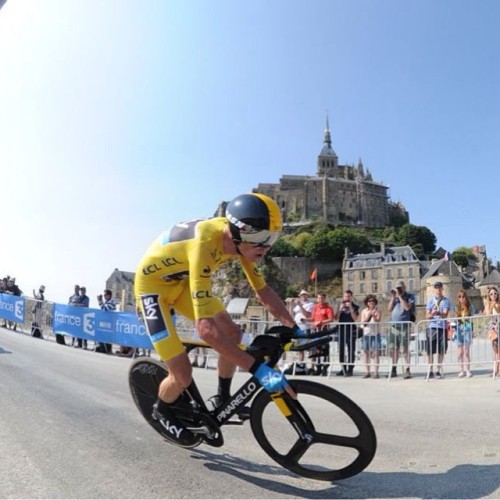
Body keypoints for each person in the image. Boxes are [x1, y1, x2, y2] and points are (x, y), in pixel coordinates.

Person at [134, 193, 299, 446]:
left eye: (272, 238)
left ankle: (222, 399)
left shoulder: (243, 242)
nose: (266, 247)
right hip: (153, 289)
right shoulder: (205, 243)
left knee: (232, 333)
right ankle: (162, 410)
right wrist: (259, 370)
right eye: (260, 240)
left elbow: (263, 291)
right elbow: (207, 331)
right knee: (182, 374)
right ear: (238, 232)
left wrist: (295, 328)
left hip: (181, 283)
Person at [387, 280, 415, 379]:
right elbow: (389, 309)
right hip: (394, 326)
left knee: (405, 349)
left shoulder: (410, 296)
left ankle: (407, 369)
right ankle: (394, 369)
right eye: (397, 287)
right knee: (394, 348)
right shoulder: (394, 298)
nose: (398, 289)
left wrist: (400, 297)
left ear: (404, 287)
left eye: (400, 287)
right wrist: (393, 297)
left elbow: (407, 308)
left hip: (404, 326)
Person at [425, 281, 451, 379]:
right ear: (434, 289)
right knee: (430, 350)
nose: (438, 289)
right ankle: (430, 370)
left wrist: (439, 313)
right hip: (432, 327)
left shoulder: (446, 300)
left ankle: (438, 370)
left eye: (440, 287)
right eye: (436, 287)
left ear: (442, 289)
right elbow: (427, 316)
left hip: (442, 327)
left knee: (441, 350)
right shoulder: (430, 301)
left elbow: (446, 314)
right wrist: (432, 314)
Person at [310, 293, 335, 376]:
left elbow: (331, 319)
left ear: (325, 299)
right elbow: (313, 318)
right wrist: (304, 320)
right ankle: (318, 367)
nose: (321, 300)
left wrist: (321, 322)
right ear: (317, 299)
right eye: (319, 298)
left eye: (322, 298)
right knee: (317, 349)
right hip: (316, 330)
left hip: (324, 330)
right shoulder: (315, 307)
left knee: (325, 349)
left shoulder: (328, 308)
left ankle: (325, 367)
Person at [336, 290, 360, 377]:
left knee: (351, 350)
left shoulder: (355, 307)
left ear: (351, 297)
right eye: (346, 296)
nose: (347, 298)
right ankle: (343, 368)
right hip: (342, 330)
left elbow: (355, 319)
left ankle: (350, 369)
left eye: (349, 296)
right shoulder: (340, 305)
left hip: (351, 330)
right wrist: (339, 309)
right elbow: (336, 318)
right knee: (341, 350)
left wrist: (350, 308)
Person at [290, 290, 314, 373]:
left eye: (305, 295)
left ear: (307, 296)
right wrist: (291, 305)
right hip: (298, 328)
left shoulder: (310, 304)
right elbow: (292, 314)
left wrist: (300, 305)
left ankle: (312, 366)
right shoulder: (297, 305)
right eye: (302, 295)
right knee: (300, 349)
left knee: (310, 347)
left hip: (305, 328)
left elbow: (307, 314)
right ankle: (301, 364)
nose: (303, 297)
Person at [452, 289, 475, 378]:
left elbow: (472, 318)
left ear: (466, 297)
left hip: (467, 329)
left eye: (463, 296)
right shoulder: (456, 307)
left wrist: (466, 311)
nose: (461, 298)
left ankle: (468, 369)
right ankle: (461, 370)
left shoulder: (470, 307)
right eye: (460, 297)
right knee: (460, 352)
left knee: (466, 351)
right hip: (458, 330)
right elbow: (455, 318)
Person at [360, 294, 382, 379]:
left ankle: (376, 372)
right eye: (369, 301)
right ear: (367, 303)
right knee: (366, 353)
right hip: (366, 334)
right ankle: (367, 371)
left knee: (376, 353)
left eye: (373, 301)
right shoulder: (364, 311)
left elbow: (378, 320)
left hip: (375, 333)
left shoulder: (378, 310)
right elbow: (362, 323)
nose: (371, 302)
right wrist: (369, 315)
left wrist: (373, 315)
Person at [482, 286, 500, 377]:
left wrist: (495, 306)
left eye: (495, 293)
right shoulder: (488, 305)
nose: (493, 295)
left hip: (499, 328)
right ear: (489, 295)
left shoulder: (499, 304)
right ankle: (495, 370)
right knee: (495, 351)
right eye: (491, 294)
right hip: (493, 330)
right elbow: (488, 315)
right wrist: (491, 305)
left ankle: (498, 370)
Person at [96, 289, 117, 354]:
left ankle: (108, 350)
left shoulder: (111, 302)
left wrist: (100, 301)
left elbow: (105, 309)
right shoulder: (107, 302)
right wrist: (101, 302)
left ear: (109, 295)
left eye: (105, 295)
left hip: (110, 322)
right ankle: (104, 348)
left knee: (108, 336)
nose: (104, 296)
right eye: (104, 295)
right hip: (106, 322)